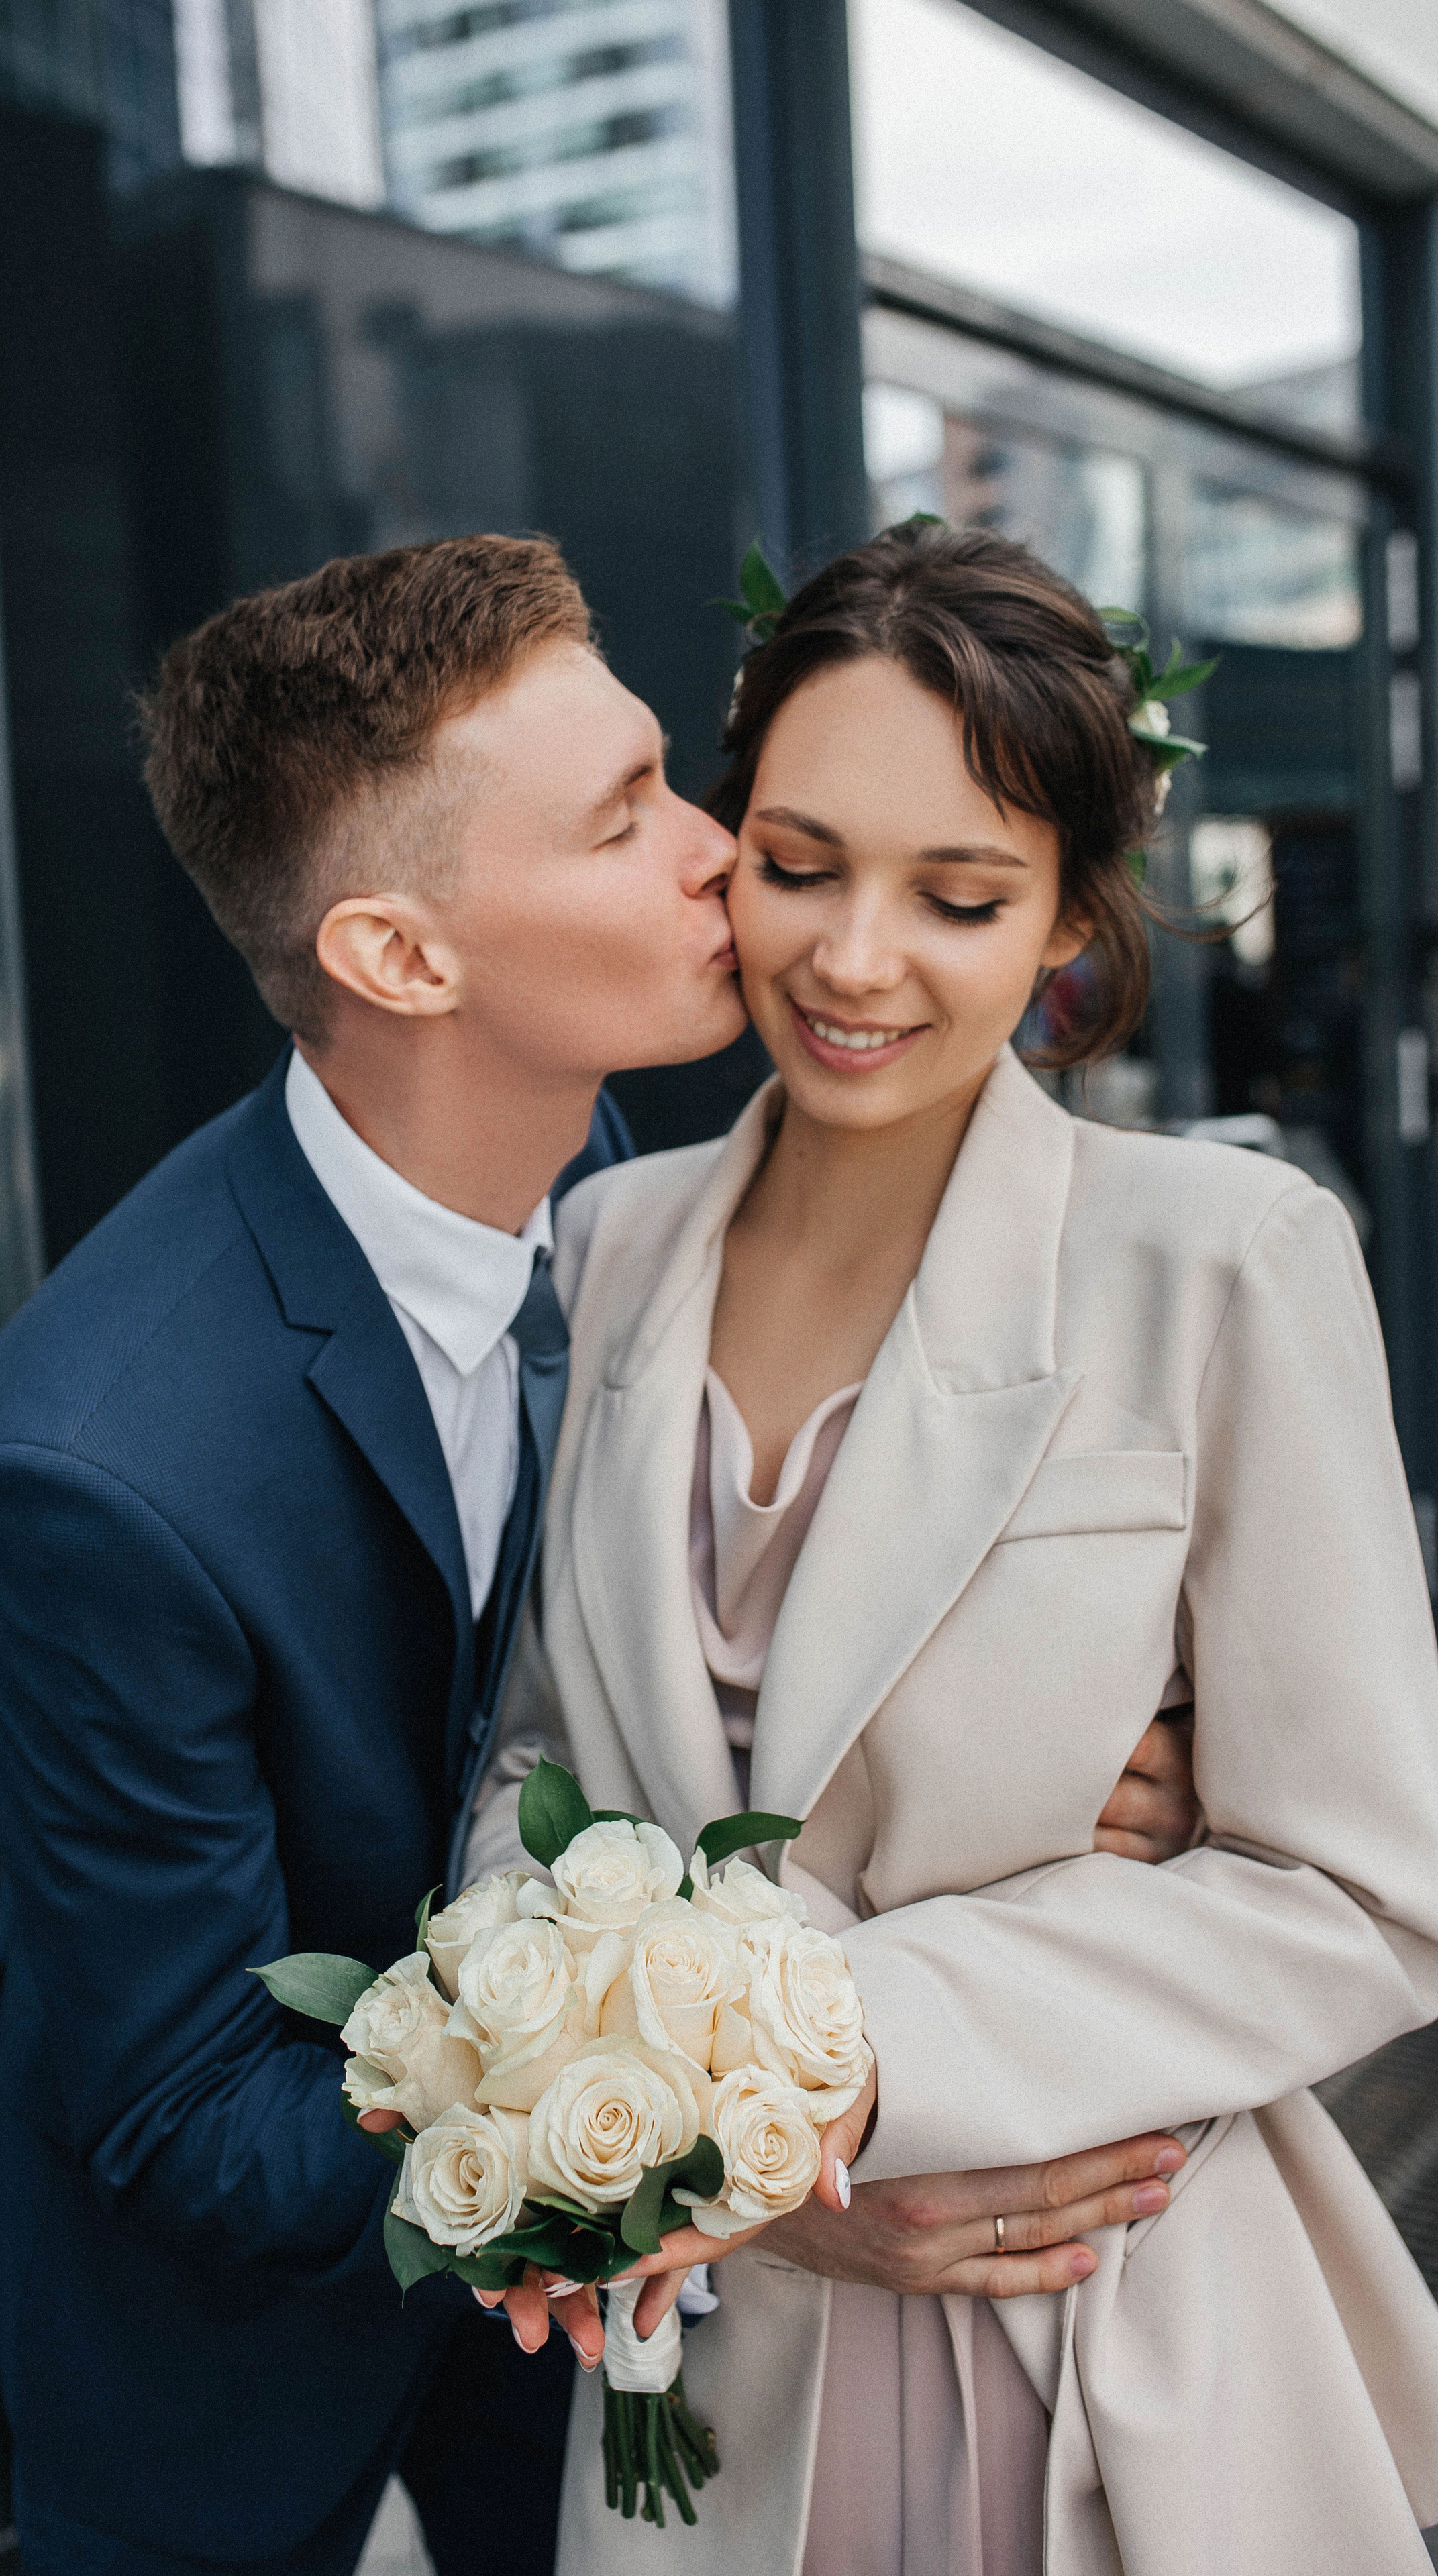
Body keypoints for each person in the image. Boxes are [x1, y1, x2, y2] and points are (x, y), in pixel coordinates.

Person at [0, 533, 1200, 2576]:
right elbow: (187, 2116)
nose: (725, 853)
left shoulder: (625, 1178)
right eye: (629, 822)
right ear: (404, 960)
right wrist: (741, 2168)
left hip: (610, 2362)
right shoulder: (94, 1475)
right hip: (235, 2332)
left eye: (671, 781)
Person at [473, 522, 1438, 2575]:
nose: (851, 959)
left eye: (962, 895)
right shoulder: (603, 1249)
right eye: (802, 863)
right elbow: (539, 1772)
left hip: (1091, 2317)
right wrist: (595, 2105)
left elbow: (1371, 1884)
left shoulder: (1224, 1262)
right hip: (716, 2359)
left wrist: (845, 2053)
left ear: (1073, 917)